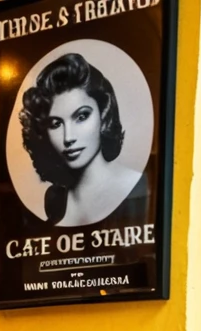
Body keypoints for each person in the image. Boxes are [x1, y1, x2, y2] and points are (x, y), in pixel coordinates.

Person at [19, 52, 136, 227]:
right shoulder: (54, 200)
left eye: (81, 116)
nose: (69, 137)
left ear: (103, 114)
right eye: (56, 123)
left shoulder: (136, 188)